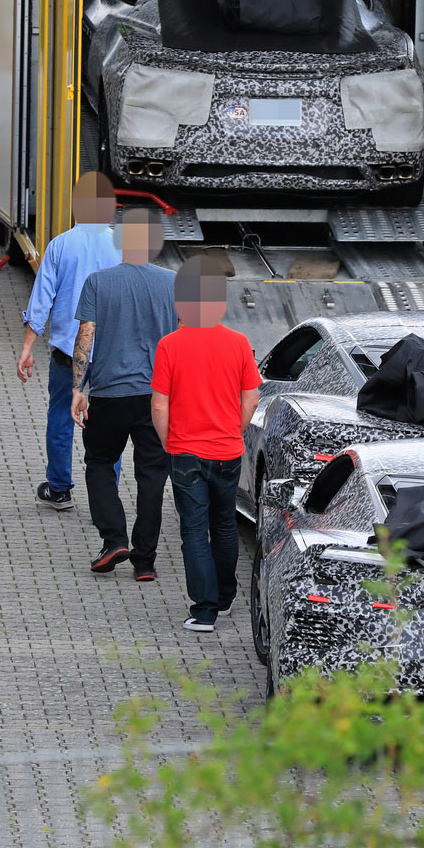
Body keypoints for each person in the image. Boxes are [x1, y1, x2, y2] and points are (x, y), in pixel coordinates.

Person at [150, 257, 262, 632]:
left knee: (194, 530)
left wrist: (169, 441)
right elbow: (252, 397)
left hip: (186, 453)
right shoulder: (239, 343)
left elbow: (159, 402)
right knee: (225, 524)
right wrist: (236, 427)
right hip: (227, 450)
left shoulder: (170, 345)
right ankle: (227, 597)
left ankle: (204, 610)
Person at [71, 207, 178, 579]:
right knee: (152, 476)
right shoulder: (172, 282)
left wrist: (77, 388)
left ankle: (114, 538)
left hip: (109, 394)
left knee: (99, 463)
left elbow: (86, 336)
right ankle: (145, 562)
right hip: (156, 398)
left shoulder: (98, 282)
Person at [15, 172, 119, 509]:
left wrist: (28, 347)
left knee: (61, 414)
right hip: (108, 353)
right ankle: (105, 494)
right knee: (106, 423)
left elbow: (41, 300)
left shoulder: (60, 245)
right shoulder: (121, 245)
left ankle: (59, 488)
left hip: (67, 350)